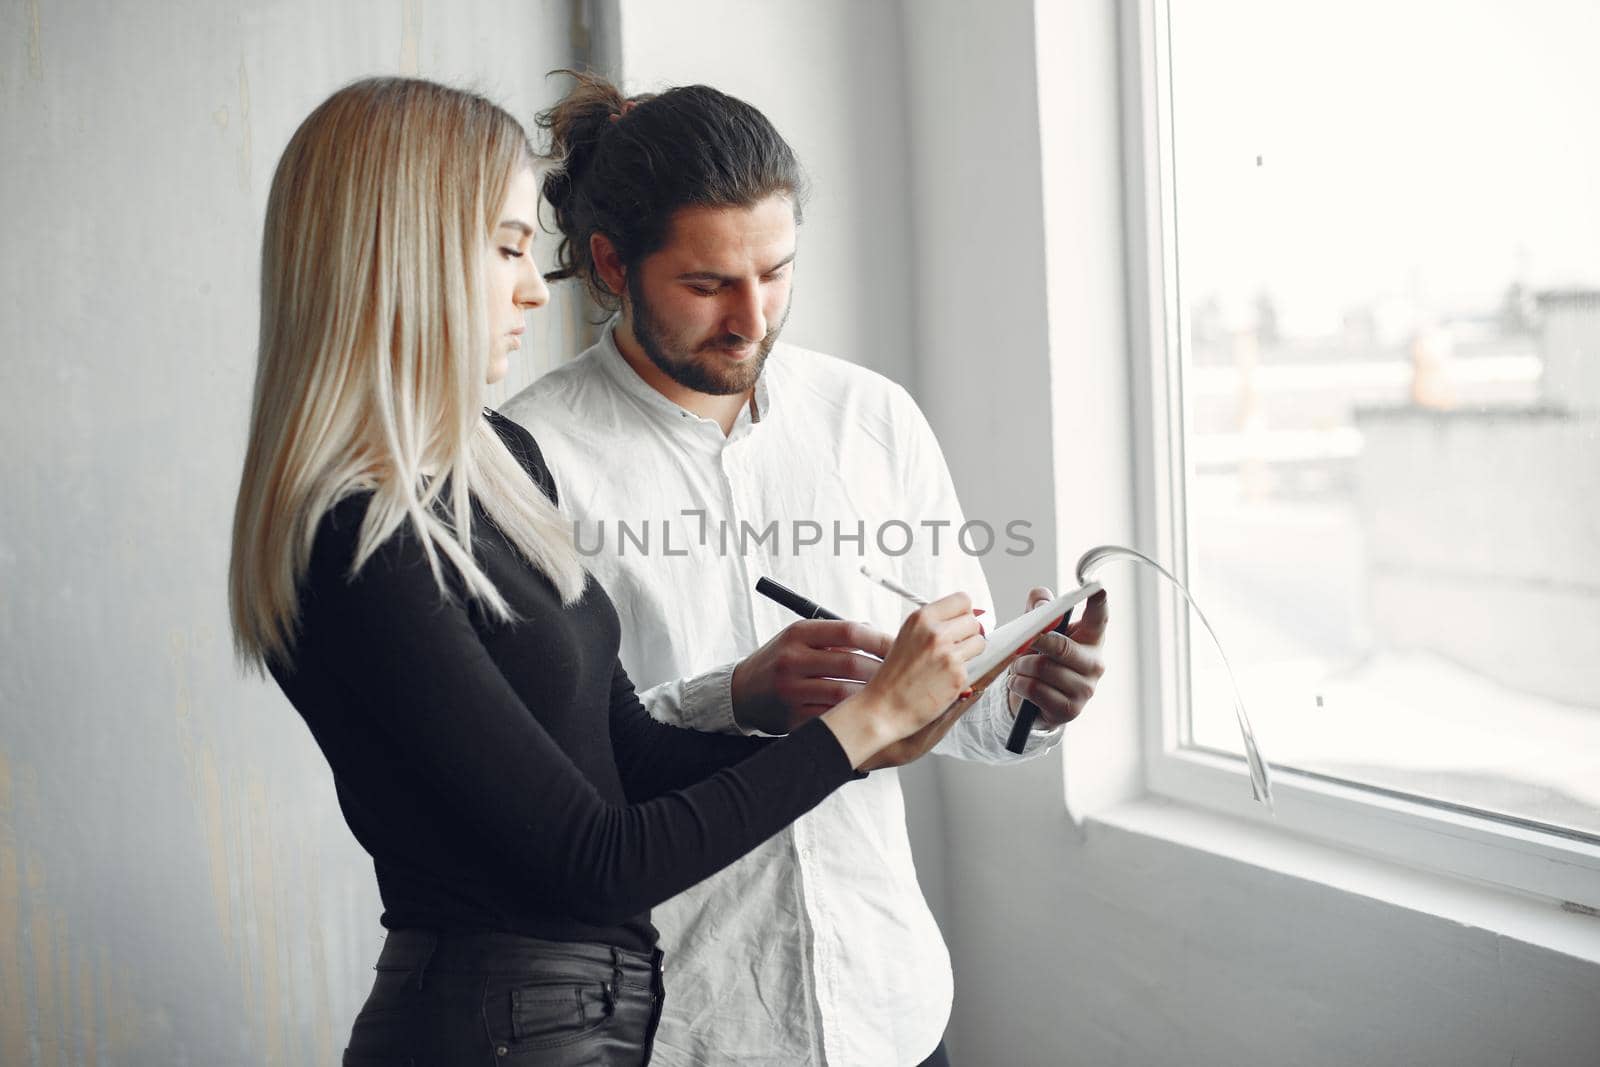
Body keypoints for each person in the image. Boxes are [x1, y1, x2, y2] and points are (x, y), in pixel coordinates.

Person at [227, 76, 987, 1066]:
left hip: (592, 1023)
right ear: (398, 256)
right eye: (504, 246)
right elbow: (593, 858)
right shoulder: (356, 534)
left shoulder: (488, 473)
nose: (534, 288)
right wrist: (861, 726)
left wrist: (865, 732)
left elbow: (620, 748)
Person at [502, 72, 1110, 1067]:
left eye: (776, 272)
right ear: (612, 264)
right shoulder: (527, 460)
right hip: (688, 1026)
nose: (752, 318)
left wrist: (1029, 692)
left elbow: (960, 717)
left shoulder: (872, 418)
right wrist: (732, 696)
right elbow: (557, 787)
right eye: (707, 286)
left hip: (893, 1007)